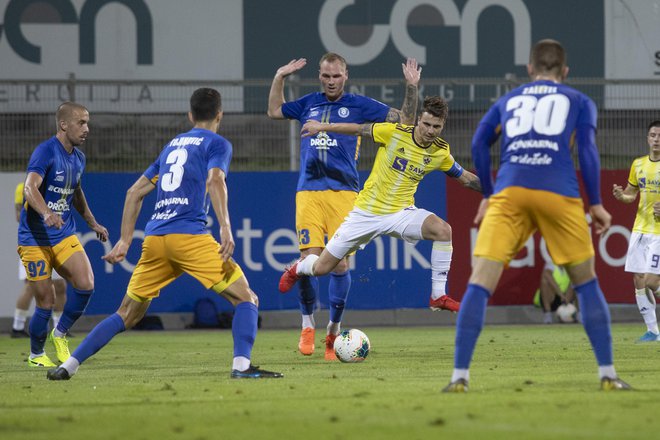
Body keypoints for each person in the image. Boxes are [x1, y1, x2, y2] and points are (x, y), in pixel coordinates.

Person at [47, 88, 282, 380]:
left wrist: (124, 239)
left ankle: (68, 366)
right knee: (247, 298)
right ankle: (242, 366)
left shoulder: (172, 146)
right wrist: (224, 227)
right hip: (190, 238)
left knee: (126, 314)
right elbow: (215, 179)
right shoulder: (217, 144)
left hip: (156, 240)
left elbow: (134, 192)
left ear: (190, 115)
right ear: (219, 115)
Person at [443, 39, 631, 393]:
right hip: (559, 192)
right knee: (587, 283)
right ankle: (607, 374)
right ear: (565, 71)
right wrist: (595, 203)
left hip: (510, 193)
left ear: (529, 69)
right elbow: (587, 150)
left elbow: (478, 145)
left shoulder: (508, 100)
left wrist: (488, 194)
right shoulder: (579, 101)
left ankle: (459, 378)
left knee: (479, 284)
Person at [268, 53, 441, 360]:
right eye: (325, 76)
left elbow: (404, 120)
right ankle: (307, 324)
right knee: (309, 261)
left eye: (335, 76)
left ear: (345, 75)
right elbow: (274, 111)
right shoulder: (308, 102)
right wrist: (280, 75)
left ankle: (332, 333)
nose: (330, 81)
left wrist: (411, 87)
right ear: (319, 76)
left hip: (345, 194)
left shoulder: (361, 105)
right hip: (308, 192)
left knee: (340, 265)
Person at [278, 96, 480, 322]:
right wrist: (322, 126)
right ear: (418, 122)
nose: (430, 131)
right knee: (322, 268)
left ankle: (438, 295)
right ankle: (297, 269)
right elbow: (356, 129)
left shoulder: (440, 152)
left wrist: (497, 189)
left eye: (436, 127)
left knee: (443, 230)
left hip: (401, 214)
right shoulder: (394, 133)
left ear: (442, 126)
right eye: (426, 124)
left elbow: (466, 179)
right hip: (366, 214)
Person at [18, 102, 108, 368]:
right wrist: (46, 213)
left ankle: (60, 334)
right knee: (46, 301)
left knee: (86, 282)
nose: (86, 129)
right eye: (81, 123)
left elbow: (76, 193)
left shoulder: (79, 158)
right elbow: (29, 188)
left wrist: (93, 222)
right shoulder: (45, 151)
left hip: (63, 234)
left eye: (87, 123)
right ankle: (36, 354)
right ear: (63, 125)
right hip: (34, 238)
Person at [612, 120, 660, 342]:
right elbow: (632, 193)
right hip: (640, 229)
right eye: (653, 135)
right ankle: (653, 331)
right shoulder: (638, 164)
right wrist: (623, 197)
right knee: (639, 280)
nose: (656, 139)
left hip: (659, 232)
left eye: (659, 136)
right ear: (647, 138)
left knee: (651, 281)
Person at [11, 181, 68, 338]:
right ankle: (17, 327)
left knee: (60, 285)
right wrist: (43, 213)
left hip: (54, 241)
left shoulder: (55, 186)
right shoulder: (22, 187)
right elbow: (18, 215)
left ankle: (59, 329)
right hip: (32, 241)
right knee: (31, 285)